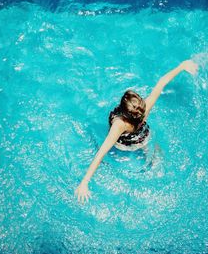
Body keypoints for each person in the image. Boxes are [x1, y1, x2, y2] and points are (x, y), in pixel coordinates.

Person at [74, 60, 199, 203]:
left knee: (155, 159)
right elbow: (161, 82)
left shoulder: (131, 117)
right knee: (146, 155)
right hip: (134, 138)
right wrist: (84, 182)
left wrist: (182, 66)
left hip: (137, 138)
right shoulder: (131, 117)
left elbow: (161, 83)